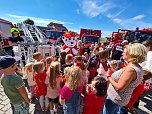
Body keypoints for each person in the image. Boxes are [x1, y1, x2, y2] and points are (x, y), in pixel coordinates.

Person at [103, 43, 147, 114]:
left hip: (115, 98)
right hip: (119, 99)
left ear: (132, 54)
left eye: (125, 52)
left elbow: (119, 88)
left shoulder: (131, 69)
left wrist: (108, 76)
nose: (122, 53)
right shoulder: (136, 67)